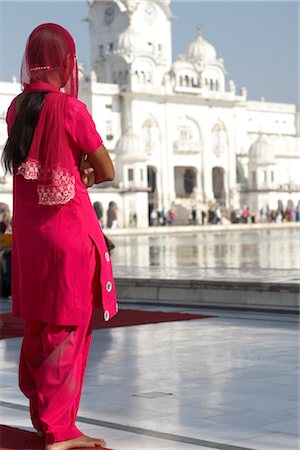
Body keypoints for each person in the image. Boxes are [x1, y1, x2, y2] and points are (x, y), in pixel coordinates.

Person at [2, 23, 118, 450]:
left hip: (32, 236)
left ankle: (43, 417)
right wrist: (85, 170)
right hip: (69, 233)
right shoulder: (71, 110)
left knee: (39, 324)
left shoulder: (17, 109)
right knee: (68, 328)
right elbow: (106, 170)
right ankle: (60, 429)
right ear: (68, 63)